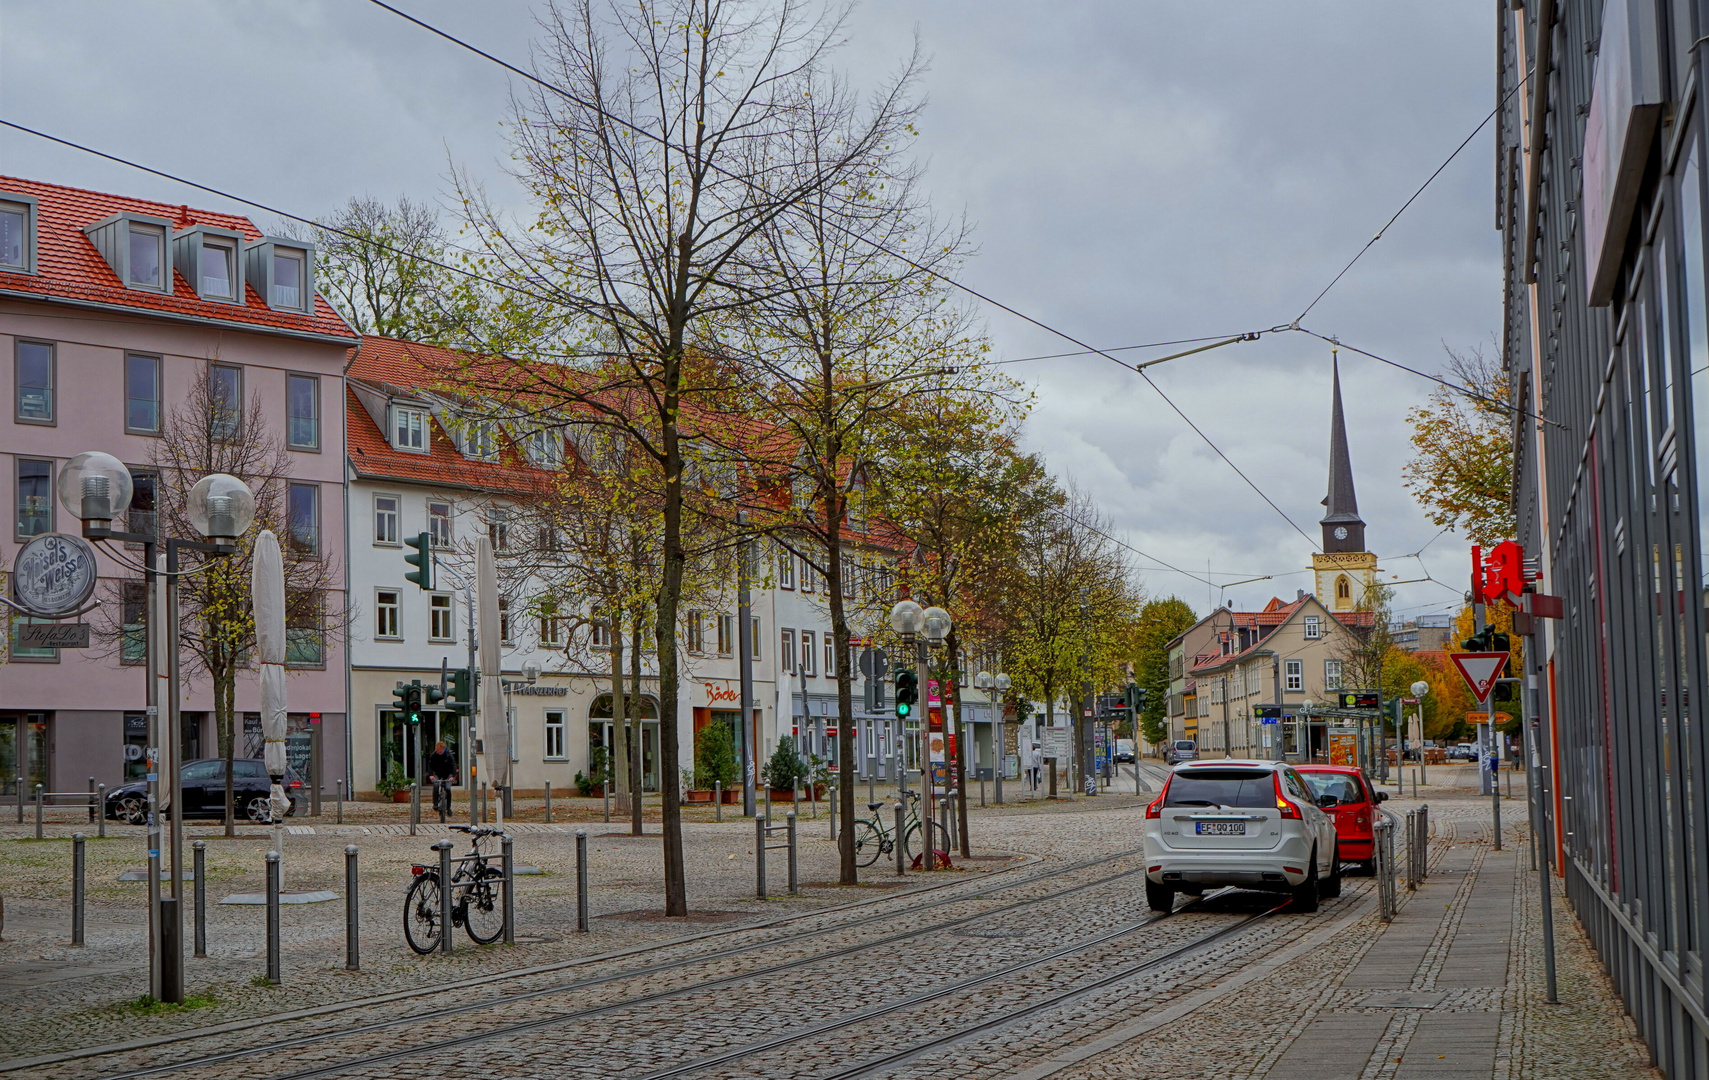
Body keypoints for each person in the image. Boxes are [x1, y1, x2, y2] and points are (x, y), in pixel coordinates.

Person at [424, 741, 458, 822]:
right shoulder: (434, 755)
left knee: (448, 788)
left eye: (438, 749)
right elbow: (430, 765)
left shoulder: (448, 755)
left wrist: (453, 776)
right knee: (436, 784)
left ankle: (448, 807)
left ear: (442, 749)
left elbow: (453, 766)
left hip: (447, 773)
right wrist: (431, 774)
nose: (436, 750)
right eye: (436, 748)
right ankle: (435, 803)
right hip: (437, 773)